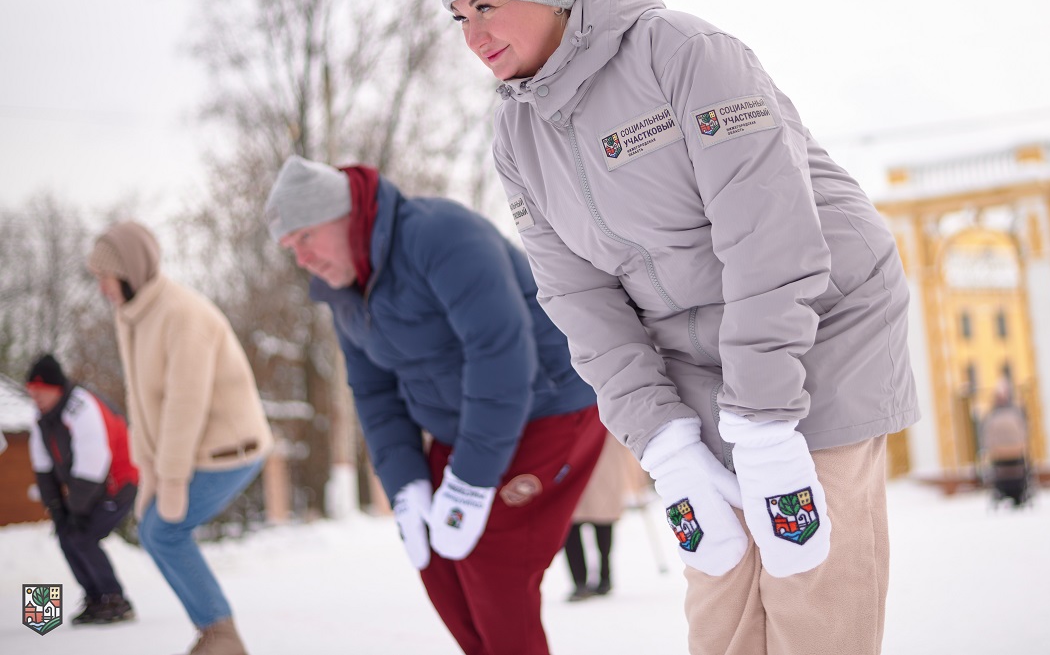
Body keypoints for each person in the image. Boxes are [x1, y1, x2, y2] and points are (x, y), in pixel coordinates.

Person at [440, 0, 922, 655]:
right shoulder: (516, 136)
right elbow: (579, 300)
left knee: (808, 570)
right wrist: (664, 441)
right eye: (458, 15)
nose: (472, 34)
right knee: (722, 580)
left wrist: (764, 423)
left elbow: (772, 238)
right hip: (687, 349)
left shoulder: (684, 55)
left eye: (486, 5)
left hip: (820, 323)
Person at [264, 155, 606, 655]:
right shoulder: (344, 293)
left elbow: (501, 355)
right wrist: (405, 487)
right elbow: (375, 396)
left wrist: (470, 484)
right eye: (290, 247)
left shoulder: (440, 235)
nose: (301, 258)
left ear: (343, 215)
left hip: (550, 405)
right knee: (434, 555)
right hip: (464, 426)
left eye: (305, 237)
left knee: (492, 555)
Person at [87, 220, 273, 655]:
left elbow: (183, 406)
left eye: (105, 277)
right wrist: (147, 467)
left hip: (230, 450)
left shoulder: (183, 315)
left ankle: (222, 637)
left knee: (164, 533)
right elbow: (141, 398)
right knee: (156, 533)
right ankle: (215, 632)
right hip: (189, 452)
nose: (102, 288)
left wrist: (170, 479)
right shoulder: (133, 316)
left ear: (130, 272)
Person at [25, 353, 138, 625]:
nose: (36, 397)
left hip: (118, 484)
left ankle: (114, 599)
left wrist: (76, 509)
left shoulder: (80, 406)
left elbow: (93, 462)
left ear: (57, 389)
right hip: (90, 488)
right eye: (32, 391)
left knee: (83, 535)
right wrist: (57, 509)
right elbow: (43, 468)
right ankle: (95, 597)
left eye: (42, 391)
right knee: (67, 535)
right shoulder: (42, 418)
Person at [561, 432, 641, 602]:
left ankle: (594, 580)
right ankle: (590, 580)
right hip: (580, 473)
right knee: (576, 526)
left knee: (594, 525)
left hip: (596, 472)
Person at [980, 377, 1031, 507]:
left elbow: (986, 435)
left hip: (1010, 452)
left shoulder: (998, 414)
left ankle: (1015, 492)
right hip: (1007, 453)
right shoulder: (1011, 413)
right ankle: (1015, 492)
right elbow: (1024, 430)